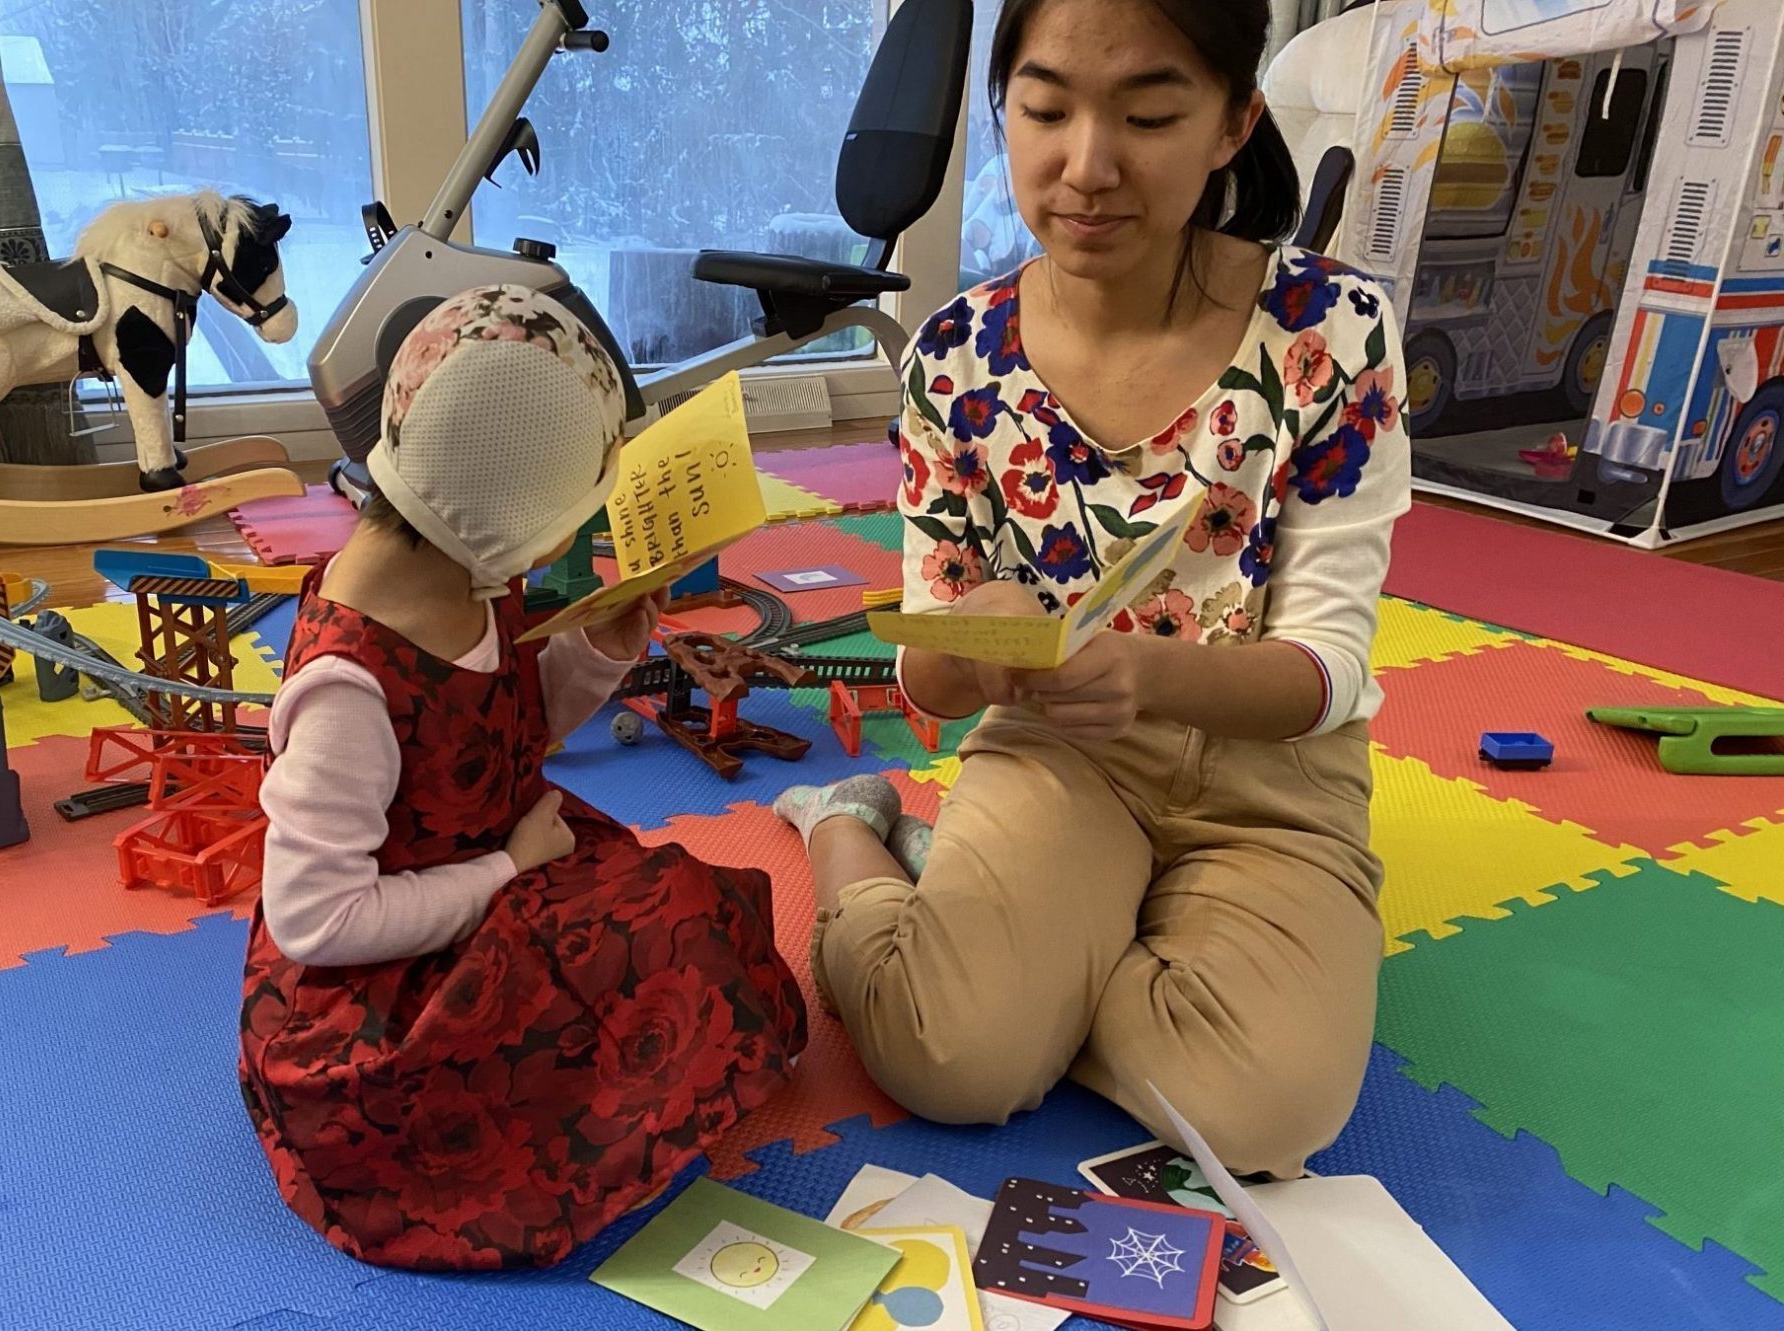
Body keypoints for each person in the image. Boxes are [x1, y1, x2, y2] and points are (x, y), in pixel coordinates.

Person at [772, 0, 1410, 1179]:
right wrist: (962, 646)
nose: (1088, 167)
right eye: (1047, 108)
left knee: (1267, 1115)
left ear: (1233, 125)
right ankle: (853, 832)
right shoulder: (956, 359)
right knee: (943, 1060)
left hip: (1270, 769)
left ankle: (1049, 959)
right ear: (1003, 108)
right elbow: (925, 665)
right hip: (1061, 749)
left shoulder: (1332, 329)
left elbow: (1332, 667)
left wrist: (1152, 671)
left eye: (1151, 114)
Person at [238, 285, 808, 1271]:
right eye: (559, 522)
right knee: (636, 976)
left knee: (686, 905)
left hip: (495, 870)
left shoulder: (465, 568)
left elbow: (502, 728)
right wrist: (504, 868)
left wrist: (598, 645)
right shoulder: (346, 683)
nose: (555, 550)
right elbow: (314, 922)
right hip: (381, 998)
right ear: (496, 503)